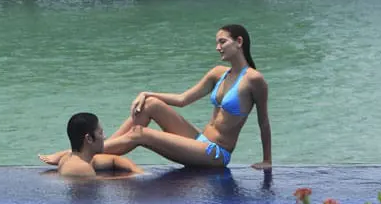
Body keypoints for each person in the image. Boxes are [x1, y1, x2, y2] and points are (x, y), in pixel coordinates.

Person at [40, 24, 272, 170]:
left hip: (216, 153)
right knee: (149, 105)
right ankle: (93, 151)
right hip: (199, 140)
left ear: (239, 42)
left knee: (141, 134)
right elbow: (182, 99)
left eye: (222, 42)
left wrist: (267, 160)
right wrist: (146, 92)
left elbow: (263, 121)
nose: (217, 47)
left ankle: (77, 153)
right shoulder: (218, 74)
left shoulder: (254, 80)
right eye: (217, 43)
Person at [54, 112, 143, 178]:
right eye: (100, 133)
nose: (104, 137)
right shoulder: (82, 168)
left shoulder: (68, 158)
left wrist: (137, 171)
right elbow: (95, 196)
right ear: (89, 138)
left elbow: (113, 160)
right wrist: (130, 178)